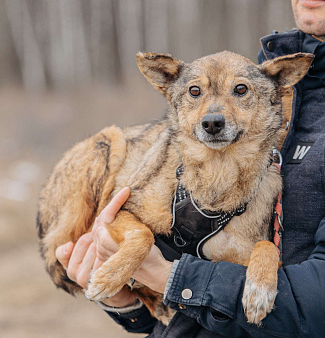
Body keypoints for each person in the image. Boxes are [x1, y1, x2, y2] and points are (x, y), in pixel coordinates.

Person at [55, 0, 325, 336]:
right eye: (196, 93)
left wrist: (164, 275)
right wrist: (127, 301)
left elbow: (314, 308)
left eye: (239, 92)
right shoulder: (257, 75)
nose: (214, 115)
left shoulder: (263, 87)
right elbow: (190, 294)